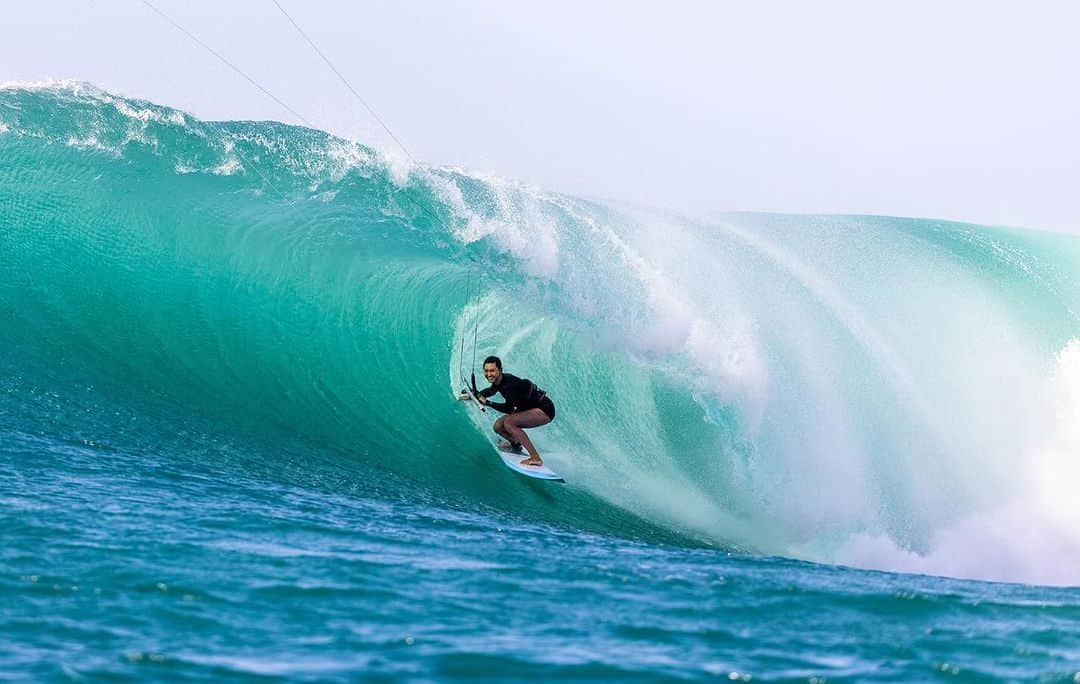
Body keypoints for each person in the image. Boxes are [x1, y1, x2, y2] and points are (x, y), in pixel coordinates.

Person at [459, 355, 555, 467]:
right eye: (486, 371)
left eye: (492, 371)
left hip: (544, 409)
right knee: (498, 427)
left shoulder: (509, 385)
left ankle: (535, 458)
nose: (489, 374)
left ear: (499, 371)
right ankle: (515, 443)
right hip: (529, 408)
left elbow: (509, 409)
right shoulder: (499, 381)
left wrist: (489, 403)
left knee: (509, 422)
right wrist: (476, 394)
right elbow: (491, 390)